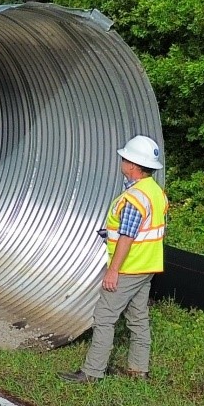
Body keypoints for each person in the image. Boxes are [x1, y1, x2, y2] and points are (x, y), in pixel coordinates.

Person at [60, 135, 168, 383]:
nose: (121, 161)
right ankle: (138, 370)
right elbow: (145, 229)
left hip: (129, 267)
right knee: (138, 317)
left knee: (105, 317)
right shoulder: (155, 192)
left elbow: (128, 237)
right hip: (148, 266)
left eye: (124, 157)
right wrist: (111, 233)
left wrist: (113, 270)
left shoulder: (134, 198)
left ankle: (92, 372)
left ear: (132, 164)